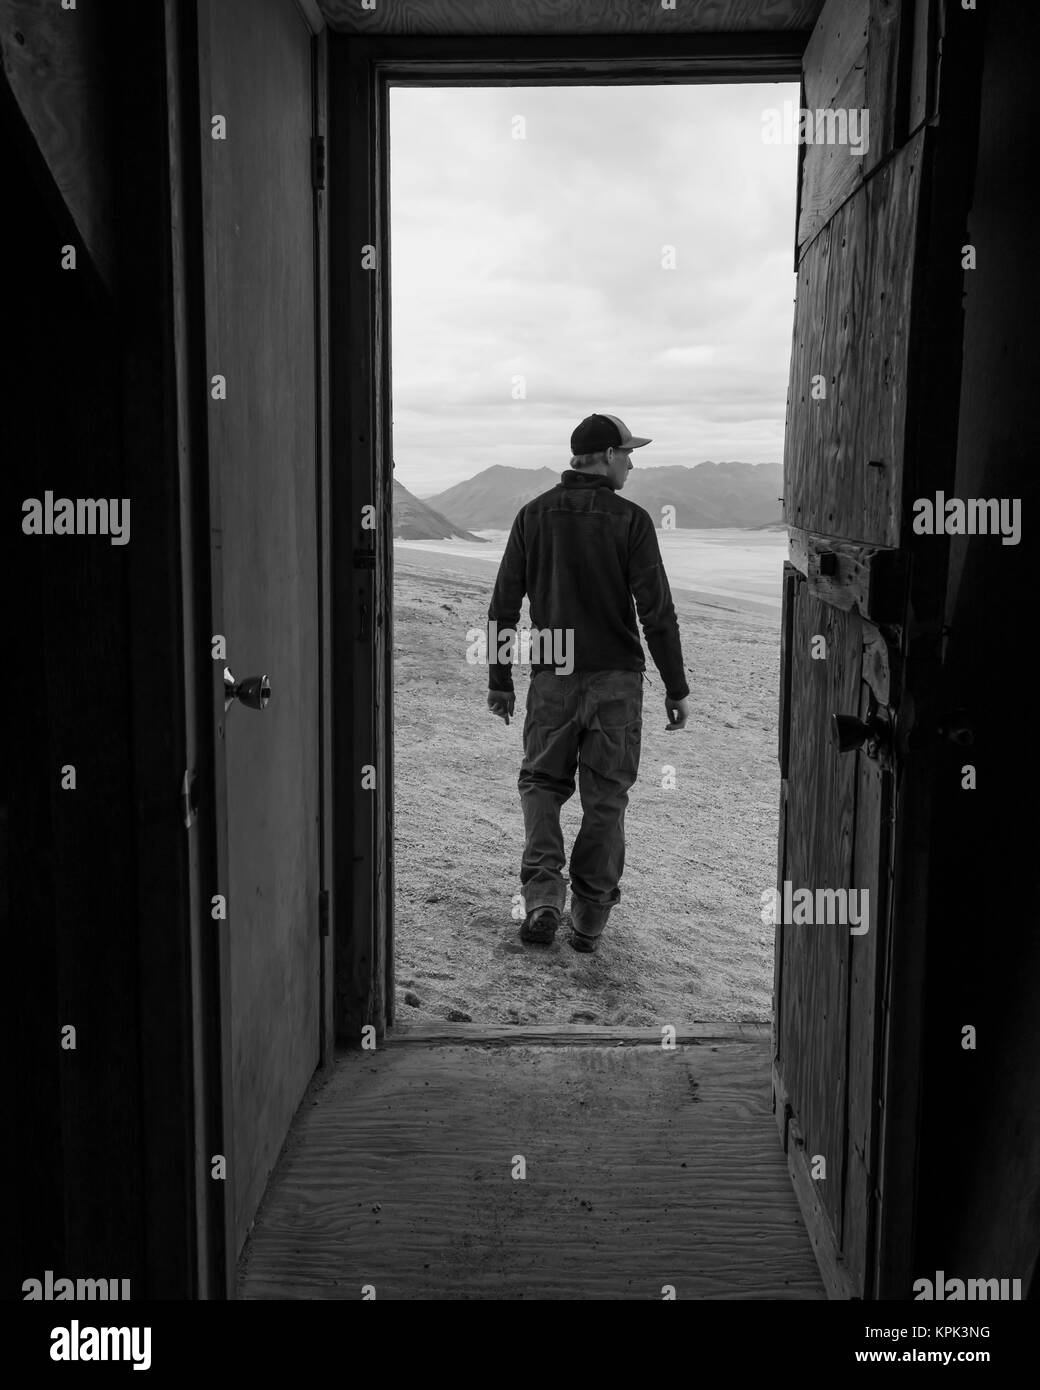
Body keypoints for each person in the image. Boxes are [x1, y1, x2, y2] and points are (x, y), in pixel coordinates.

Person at [486, 413, 690, 954]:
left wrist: (500, 679)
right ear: (602, 456)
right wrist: (676, 686)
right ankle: (591, 918)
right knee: (606, 800)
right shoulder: (632, 520)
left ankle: (544, 898)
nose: (631, 461)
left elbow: (505, 602)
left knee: (541, 785)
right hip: (616, 682)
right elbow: (657, 610)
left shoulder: (534, 515)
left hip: (553, 674)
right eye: (625, 452)